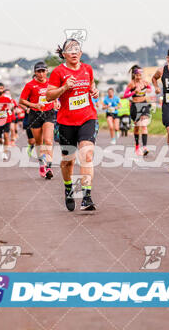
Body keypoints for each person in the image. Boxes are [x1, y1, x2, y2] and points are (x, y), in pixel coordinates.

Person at [46, 38, 99, 211]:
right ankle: (68, 188)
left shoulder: (88, 69)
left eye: (77, 49)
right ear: (64, 54)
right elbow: (49, 96)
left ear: (81, 53)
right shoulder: (58, 72)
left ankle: (86, 196)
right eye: (70, 49)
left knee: (87, 155)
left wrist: (94, 90)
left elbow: (91, 86)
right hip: (66, 122)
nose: (74, 52)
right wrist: (64, 88)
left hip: (87, 118)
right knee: (68, 161)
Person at [20, 62, 56, 179]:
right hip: (35, 115)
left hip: (49, 113)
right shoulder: (30, 85)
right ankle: (42, 164)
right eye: (38, 71)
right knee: (39, 142)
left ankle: (49, 167)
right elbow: (22, 101)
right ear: (35, 73)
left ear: (47, 71)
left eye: (43, 71)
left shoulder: (52, 83)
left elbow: (56, 95)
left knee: (48, 141)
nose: (41, 74)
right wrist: (34, 105)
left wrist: (56, 102)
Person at [124, 65, 152, 156]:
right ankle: (137, 147)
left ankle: (144, 147)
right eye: (137, 75)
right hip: (135, 107)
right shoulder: (131, 84)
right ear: (134, 75)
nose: (139, 77)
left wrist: (148, 90)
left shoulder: (145, 82)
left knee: (144, 125)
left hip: (144, 105)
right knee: (136, 128)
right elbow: (125, 95)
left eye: (140, 75)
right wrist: (134, 92)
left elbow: (150, 88)